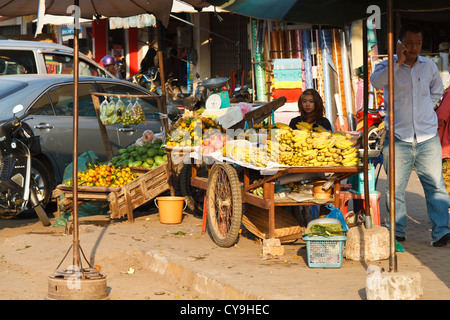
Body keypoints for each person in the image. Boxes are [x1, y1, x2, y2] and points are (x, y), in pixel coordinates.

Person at [370, 23, 450, 247]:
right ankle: (397, 232)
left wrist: (427, 108)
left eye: (418, 43)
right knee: (395, 189)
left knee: (435, 186)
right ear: (399, 43)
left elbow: (437, 90)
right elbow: (376, 83)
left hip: (427, 137)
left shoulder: (429, 66)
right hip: (398, 137)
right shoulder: (385, 66)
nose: (414, 47)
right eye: (409, 43)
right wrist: (398, 62)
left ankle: (441, 231)